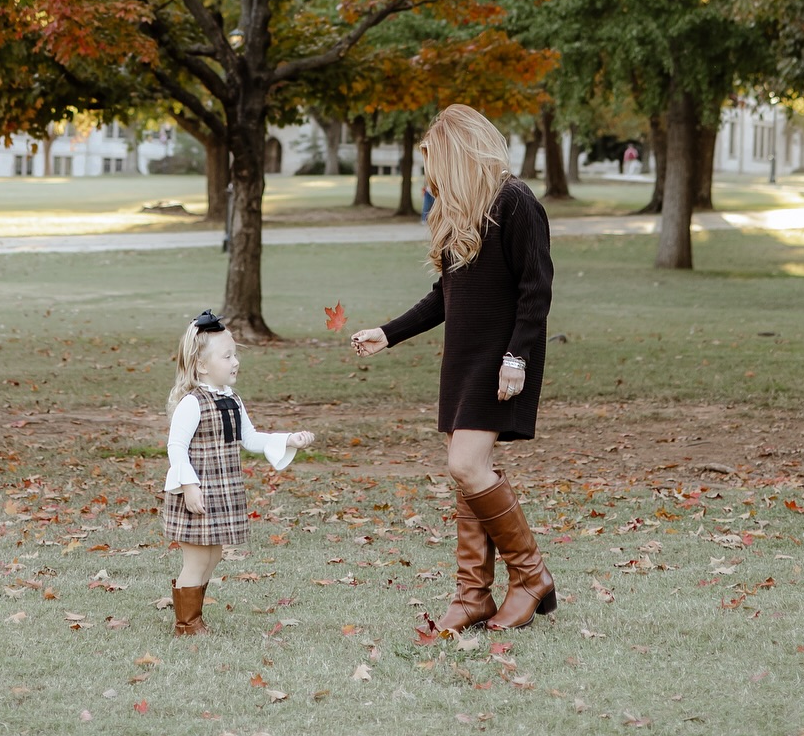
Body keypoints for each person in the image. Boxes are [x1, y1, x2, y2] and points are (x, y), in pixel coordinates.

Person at [350, 104, 555, 633]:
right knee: (466, 474)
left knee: (467, 466)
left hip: (500, 357)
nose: (430, 174)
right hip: (463, 358)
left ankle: (531, 578)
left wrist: (517, 358)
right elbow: (445, 297)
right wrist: (388, 333)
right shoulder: (459, 214)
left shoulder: (515, 202)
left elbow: (536, 292)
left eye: (436, 160)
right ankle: (472, 595)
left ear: (463, 153)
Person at [162, 310, 314, 635]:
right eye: (227, 355)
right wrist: (189, 485)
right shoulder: (193, 403)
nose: (236, 361)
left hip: (222, 489)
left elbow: (251, 438)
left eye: (236, 354)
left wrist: (289, 439)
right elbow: (176, 447)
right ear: (202, 365)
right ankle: (186, 624)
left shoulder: (231, 399)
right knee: (196, 561)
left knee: (214, 555)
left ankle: (196, 615)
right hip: (197, 492)